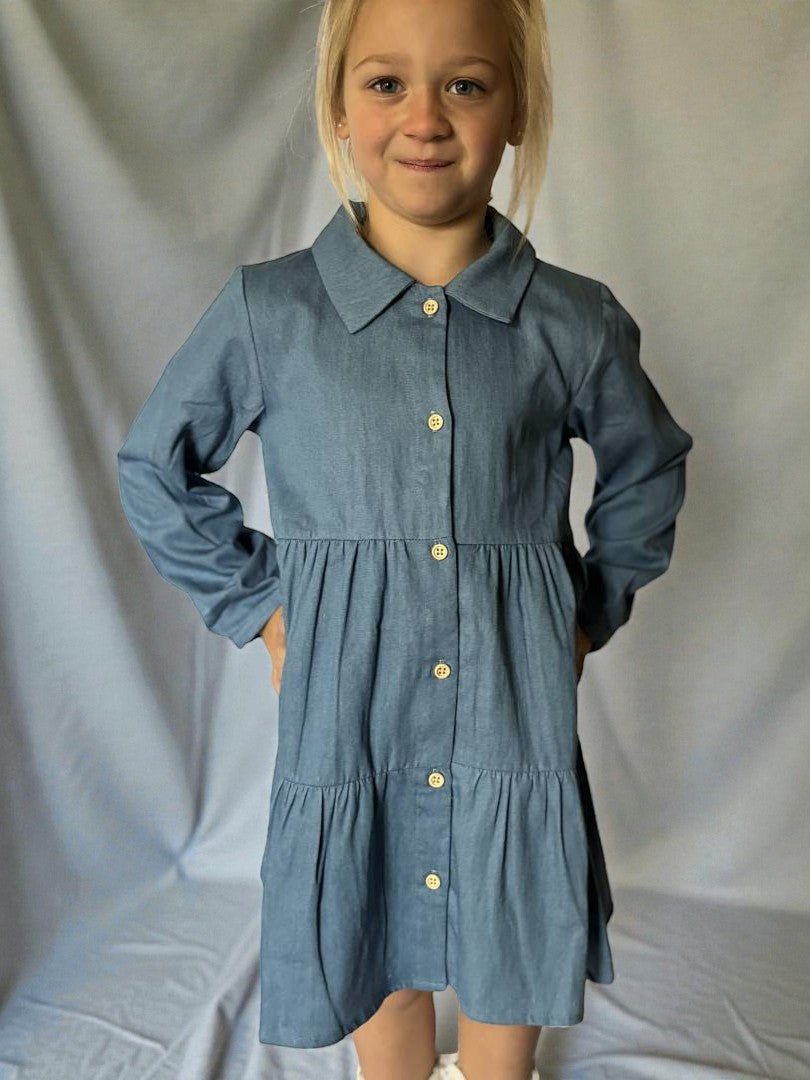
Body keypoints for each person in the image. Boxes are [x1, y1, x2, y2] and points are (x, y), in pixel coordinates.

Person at [116, 0, 694, 1077]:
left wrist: (590, 610)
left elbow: (648, 462)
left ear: (516, 108)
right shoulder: (270, 312)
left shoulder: (570, 319)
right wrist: (263, 607)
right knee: (369, 878)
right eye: (386, 83)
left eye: (466, 84)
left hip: (511, 697)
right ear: (339, 106)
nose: (425, 116)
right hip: (351, 695)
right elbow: (156, 466)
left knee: (508, 874)